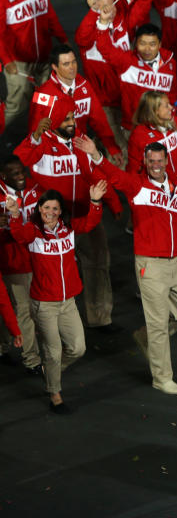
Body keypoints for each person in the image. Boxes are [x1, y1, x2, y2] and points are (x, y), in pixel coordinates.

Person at [77, 136, 177, 394]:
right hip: (150, 264)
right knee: (158, 323)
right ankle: (162, 377)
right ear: (145, 162)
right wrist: (95, 154)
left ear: (167, 161)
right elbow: (114, 176)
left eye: (159, 160)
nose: (156, 164)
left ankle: (145, 337)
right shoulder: (137, 186)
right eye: (151, 160)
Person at [14, 104, 122, 332]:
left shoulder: (82, 142)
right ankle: (45, 324)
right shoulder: (42, 142)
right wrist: (34, 136)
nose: (72, 122)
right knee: (46, 272)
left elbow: (97, 174)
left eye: (72, 118)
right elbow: (20, 159)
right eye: (66, 120)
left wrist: (113, 202)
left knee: (98, 262)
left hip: (85, 213)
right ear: (52, 123)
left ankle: (99, 318)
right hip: (51, 223)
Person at [7, 182, 108, 413]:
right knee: (53, 351)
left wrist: (94, 201)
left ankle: (50, 370)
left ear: (60, 211)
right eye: (46, 208)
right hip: (44, 305)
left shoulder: (69, 229)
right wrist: (14, 214)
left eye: (54, 208)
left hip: (68, 302)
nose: (50, 213)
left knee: (78, 348)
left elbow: (91, 222)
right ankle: (55, 394)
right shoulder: (33, 232)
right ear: (39, 209)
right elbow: (19, 235)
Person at [75, 0, 154, 147]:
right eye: (102, 7)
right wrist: (93, 13)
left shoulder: (121, 22)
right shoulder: (88, 32)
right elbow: (81, 38)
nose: (109, 11)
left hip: (127, 99)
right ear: (94, 8)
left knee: (124, 143)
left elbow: (139, 12)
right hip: (105, 104)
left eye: (112, 5)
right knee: (120, 150)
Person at [0, 0, 67, 123]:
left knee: (47, 104)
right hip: (19, 62)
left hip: (44, 59)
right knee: (16, 107)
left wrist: (63, 39)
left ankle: (44, 143)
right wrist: (7, 61)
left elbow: (49, 14)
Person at [29, 45, 121, 163]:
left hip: (81, 149)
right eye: (66, 64)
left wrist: (111, 147)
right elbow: (34, 129)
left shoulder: (84, 85)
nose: (72, 68)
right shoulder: (43, 94)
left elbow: (99, 119)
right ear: (54, 67)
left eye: (73, 62)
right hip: (56, 155)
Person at [0, 156, 39, 375]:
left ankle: (3, 346)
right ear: (4, 176)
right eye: (15, 174)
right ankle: (31, 359)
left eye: (22, 171)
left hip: (33, 258)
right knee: (23, 311)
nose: (21, 176)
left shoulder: (33, 188)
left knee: (20, 309)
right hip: (11, 262)